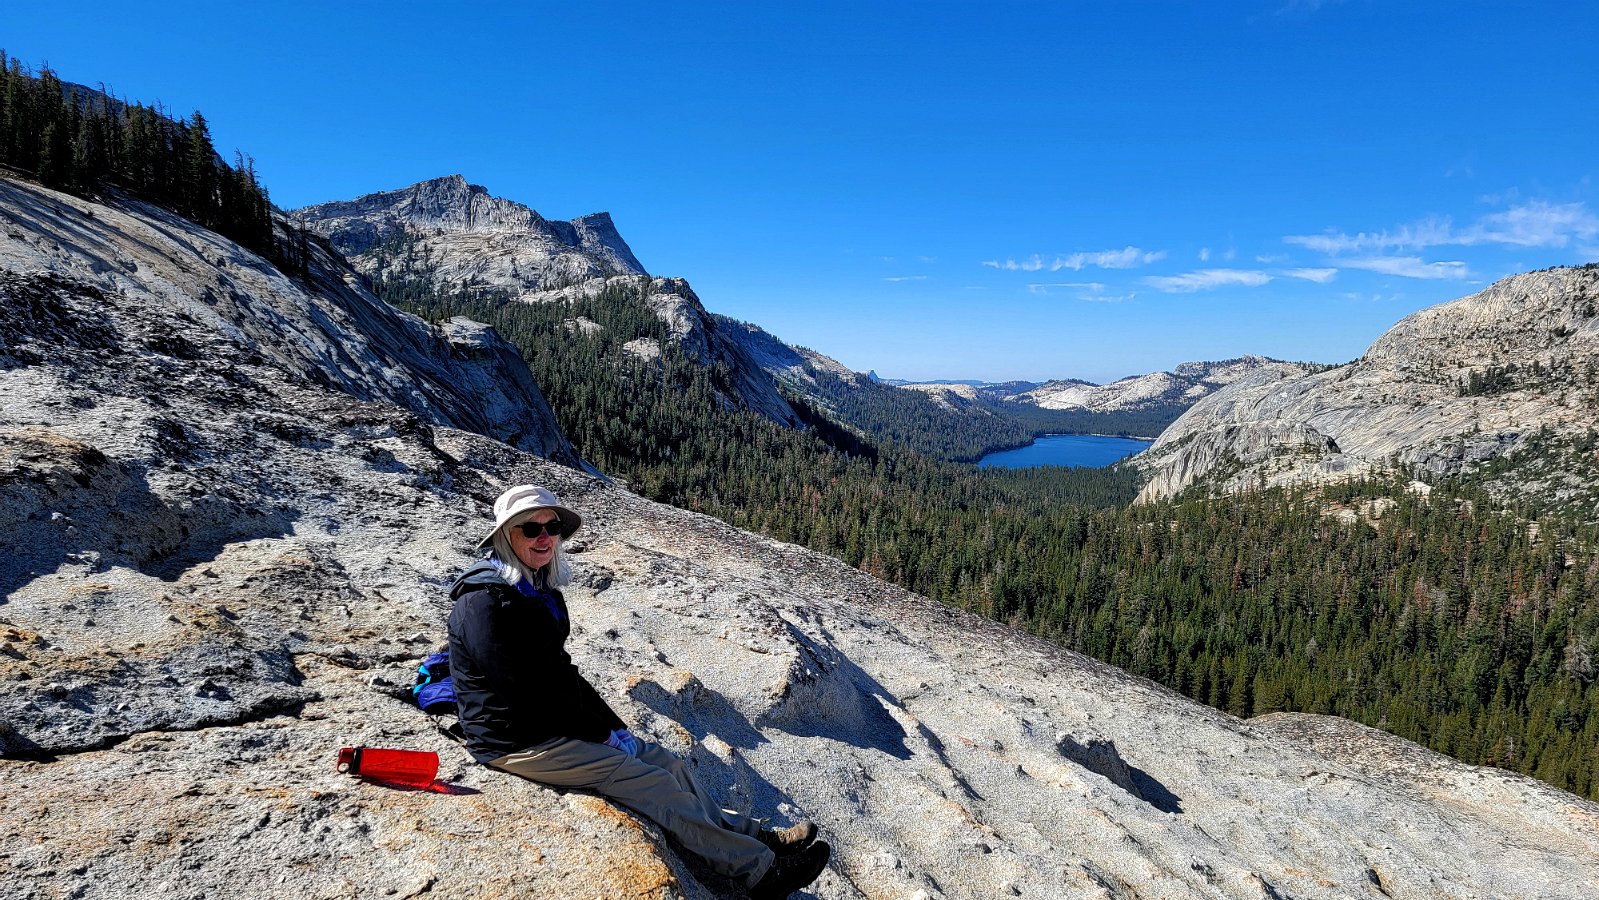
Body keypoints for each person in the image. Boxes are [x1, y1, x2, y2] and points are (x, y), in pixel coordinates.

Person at [447, 484, 831, 898]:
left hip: (548, 726)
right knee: (649, 782)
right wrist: (597, 737)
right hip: (514, 738)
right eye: (529, 529)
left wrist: (616, 729)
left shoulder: (537, 591)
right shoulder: (483, 602)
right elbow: (520, 693)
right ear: (507, 535)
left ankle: (756, 837)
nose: (543, 537)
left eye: (551, 527)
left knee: (669, 763)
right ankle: (760, 872)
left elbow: (563, 675)